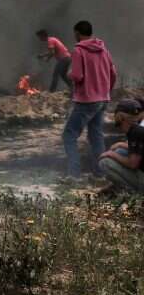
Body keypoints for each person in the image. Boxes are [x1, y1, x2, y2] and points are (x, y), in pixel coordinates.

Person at [62, 20, 117, 178]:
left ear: (77, 33)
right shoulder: (103, 49)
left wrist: (68, 74)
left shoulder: (78, 50)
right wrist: (106, 91)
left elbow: (77, 76)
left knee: (69, 135)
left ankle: (74, 175)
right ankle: (100, 173)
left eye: (74, 33)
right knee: (96, 136)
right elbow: (113, 73)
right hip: (103, 99)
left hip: (87, 100)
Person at [97, 100, 144, 194]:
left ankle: (132, 193)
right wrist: (120, 145)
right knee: (120, 151)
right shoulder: (139, 128)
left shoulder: (135, 132)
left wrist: (111, 154)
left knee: (105, 162)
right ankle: (116, 187)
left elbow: (133, 164)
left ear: (121, 117)